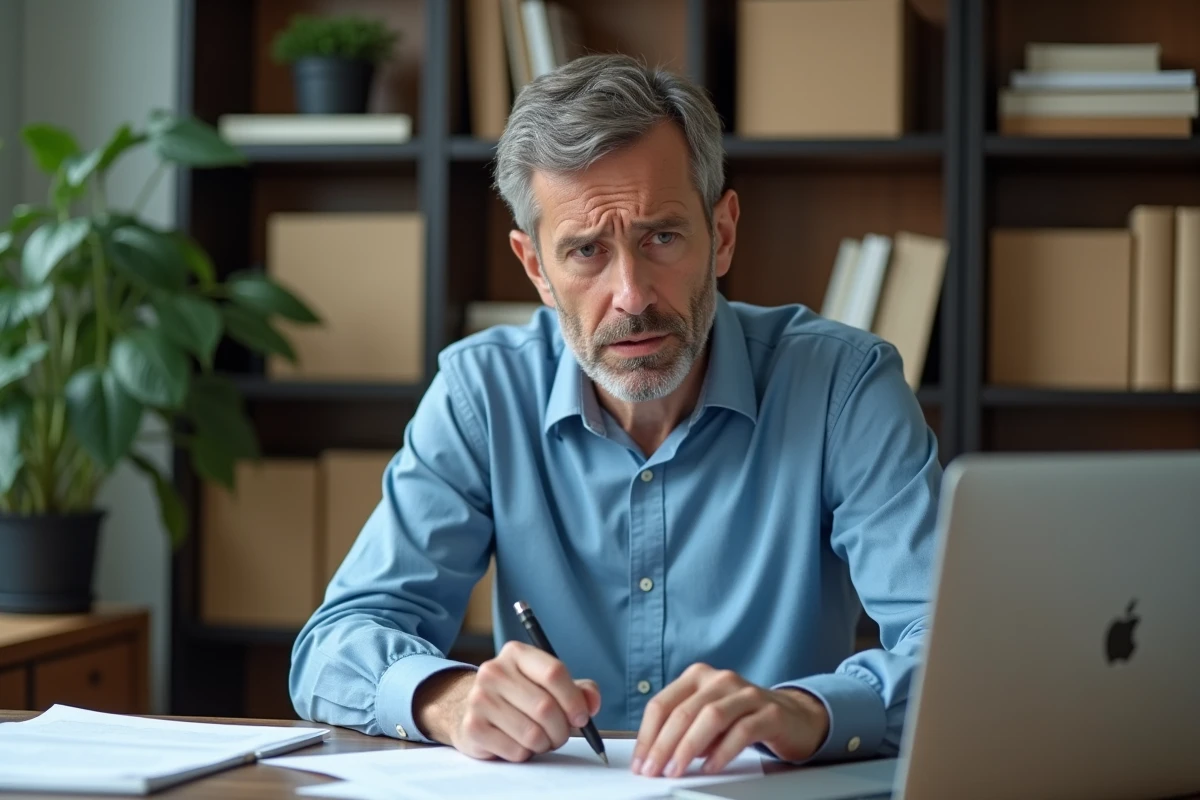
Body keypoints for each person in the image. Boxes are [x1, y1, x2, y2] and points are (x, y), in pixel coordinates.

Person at [290, 53, 940, 778]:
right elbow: (335, 645)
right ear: (535, 267)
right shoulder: (482, 392)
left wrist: (809, 711)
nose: (630, 295)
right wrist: (447, 697)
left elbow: (953, 652)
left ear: (721, 234)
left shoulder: (843, 387)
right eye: (586, 251)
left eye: (661, 237)